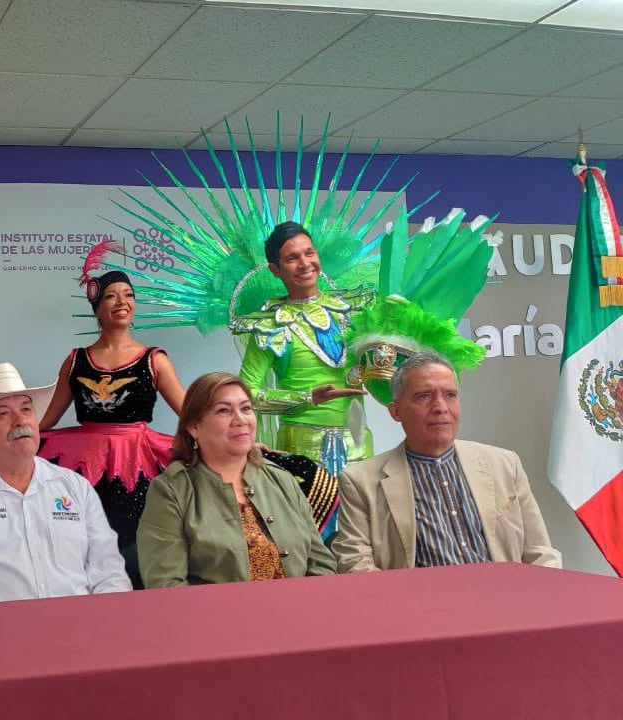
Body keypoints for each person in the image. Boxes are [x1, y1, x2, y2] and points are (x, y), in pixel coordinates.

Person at [0, 362, 131, 606]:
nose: (20, 421)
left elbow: (110, 574)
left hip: (78, 632)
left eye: (26, 410)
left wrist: (95, 628)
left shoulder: (75, 487)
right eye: (3, 413)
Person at [38, 242, 184, 588]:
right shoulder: (75, 360)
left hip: (138, 458)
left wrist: (225, 434)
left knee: (136, 543)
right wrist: (8, 438)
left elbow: (191, 412)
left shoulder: (154, 359)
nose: (122, 302)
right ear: (97, 307)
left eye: (128, 295)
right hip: (83, 463)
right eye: (111, 296)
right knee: (84, 541)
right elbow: (48, 419)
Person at [333, 353, 561, 572]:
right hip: (419, 607)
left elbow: (540, 551)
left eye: (450, 395)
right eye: (424, 396)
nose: (440, 407)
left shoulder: (504, 464)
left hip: (505, 600)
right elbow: (354, 563)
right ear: (396, 411)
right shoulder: (361, 481)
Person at [235, 221, 373, 539]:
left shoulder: (353, 311)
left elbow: (373, 372)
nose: (304, 263)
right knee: (310, 543)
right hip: (302, 450)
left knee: (364, 539)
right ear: (275, 270)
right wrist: (306, 398)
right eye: (292, 258)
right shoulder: (270, 325)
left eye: (309, 253)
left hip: (357, 444)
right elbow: (244, 395)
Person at [137, 372, 335, 587]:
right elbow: (165, 586)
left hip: (299, 613)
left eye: (246, 409)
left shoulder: (282, 479)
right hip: (215, 619)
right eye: (224, 411)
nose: (241, 420)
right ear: (194, 427)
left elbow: (320, 563)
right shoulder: (171, 491)